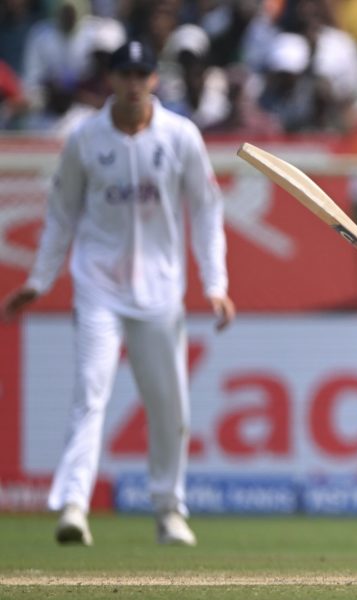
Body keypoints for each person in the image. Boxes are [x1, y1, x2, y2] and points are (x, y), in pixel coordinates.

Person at [1, 40, 234, 547]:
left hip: (159, 291)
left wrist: (215, 283)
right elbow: (61, 214)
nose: (133, 84)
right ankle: (74, 506)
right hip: (98, 286)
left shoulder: (180, 136)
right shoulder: (85, 138)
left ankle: (169, 511)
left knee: (169, 405)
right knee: (90, 392)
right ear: (111, 79)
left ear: (153, 78)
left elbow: (206, 211)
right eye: (125, 74)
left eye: (141, 74)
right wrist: (39, 280)